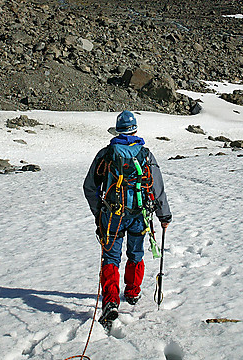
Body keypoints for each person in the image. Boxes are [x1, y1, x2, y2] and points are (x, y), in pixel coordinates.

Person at [83, 110, 171, 327]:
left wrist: (99, 212)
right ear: (135, 129)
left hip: (111, 215)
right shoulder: (146, 154)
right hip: (139, 214)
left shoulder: (106, 154)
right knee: (136, 253)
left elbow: (90, 187)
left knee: (111, 257)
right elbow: (158, 188)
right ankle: (132, 293)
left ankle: (111, 301)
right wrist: (164, 215)